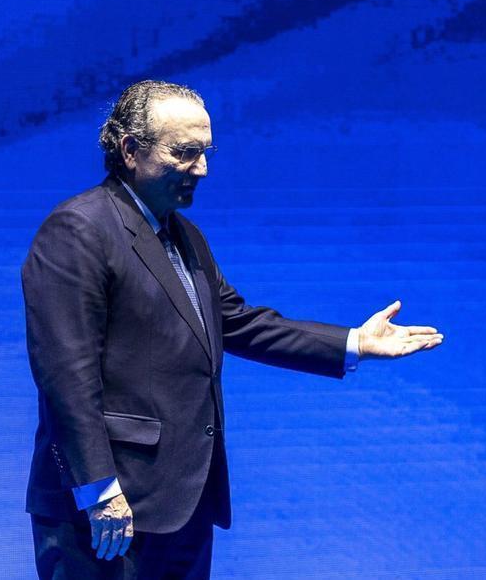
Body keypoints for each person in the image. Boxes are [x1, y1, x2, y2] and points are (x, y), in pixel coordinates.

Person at [23, 80, 444, 578]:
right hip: (109, 507)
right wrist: (98, 490)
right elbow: (65, 376)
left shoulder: (184, 235)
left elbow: (236, 322)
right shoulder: (79, 230)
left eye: (205, 152)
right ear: (130, 149)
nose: (202, 169)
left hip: (181, 503)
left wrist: (353, 342)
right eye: (185, 152)